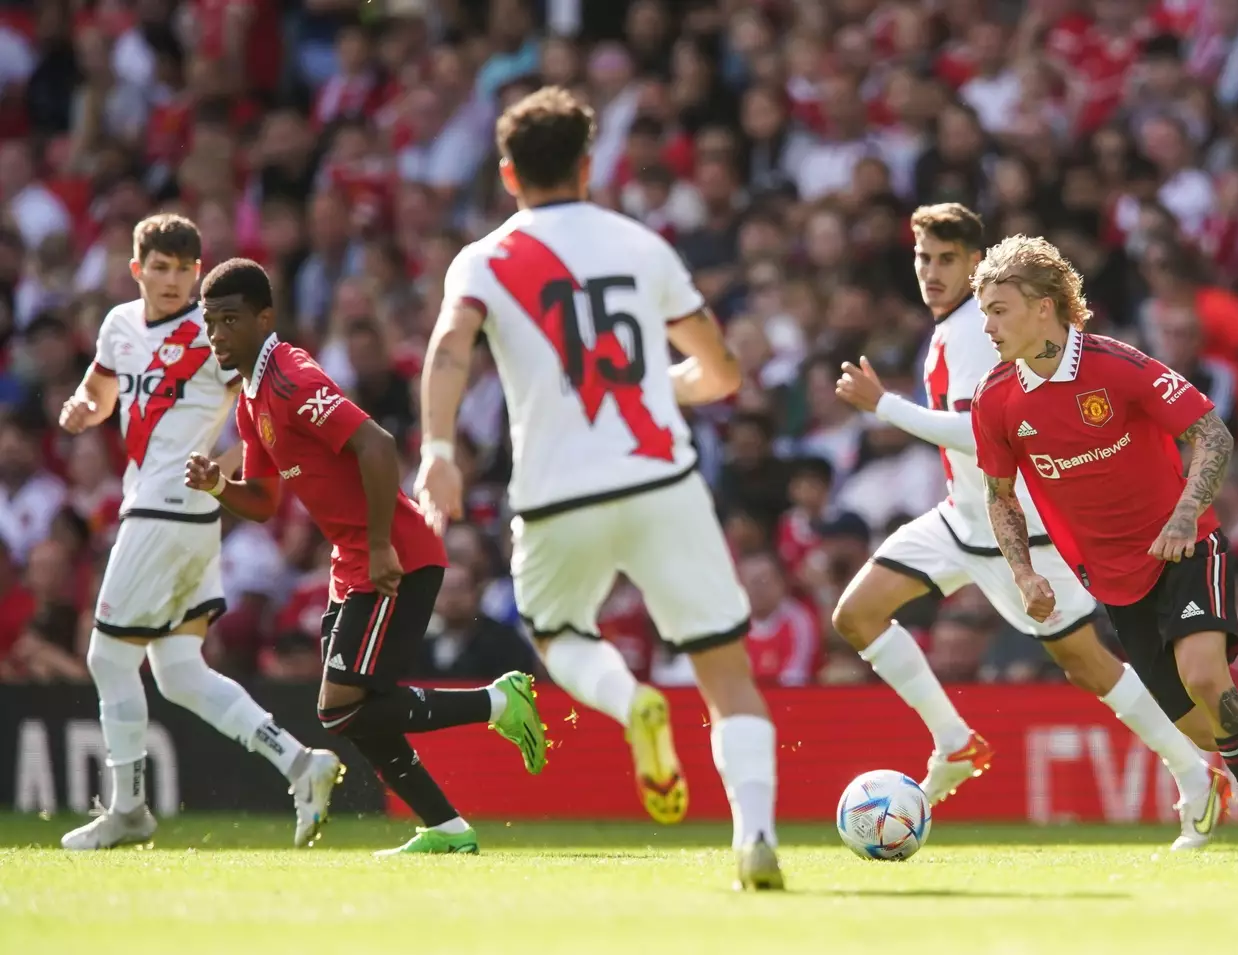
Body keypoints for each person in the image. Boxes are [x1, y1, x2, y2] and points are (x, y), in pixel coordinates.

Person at [414, 86, 782, 891]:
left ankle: (632, 702)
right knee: (725, 670)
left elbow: (448, 347)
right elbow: (720, 370)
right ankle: (754, 835)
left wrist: (438, 447)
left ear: (508, 173)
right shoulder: (641, 245)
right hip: (662, 477)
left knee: (559, 635)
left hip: (555, 494)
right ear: (589, 163)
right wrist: (665, 385)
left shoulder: (483, 259)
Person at [969, 234, 1238, 862]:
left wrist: (1188, 513)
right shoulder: (994, 399)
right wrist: (1024, 573)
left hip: (1186, 549)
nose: (988, 324)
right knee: (1205, 725)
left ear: (1046, 305)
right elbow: (999, 497)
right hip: (1110, 576)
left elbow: (1211, 436)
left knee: (1208, 680)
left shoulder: (1119, 366)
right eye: (984, 312)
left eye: (999, 309)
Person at [832, 203, 1229, 850]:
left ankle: (1194, 770)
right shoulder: (954, 327)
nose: (931, 272)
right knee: (857, 614)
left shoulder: (976, 330)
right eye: (923, 258)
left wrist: (886, 408)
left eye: (947, 260)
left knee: (1087, 664)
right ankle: (956, 741)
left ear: (973, 262)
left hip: (1023, 530)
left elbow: (978, 431)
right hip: (961, 517)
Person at [184, 257, 546, 857]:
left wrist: (378, 544)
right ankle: (447, 828)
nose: (217, 333)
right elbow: (265, 503)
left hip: (392, 555)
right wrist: (218, 487)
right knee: (351, 712)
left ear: (264, 317)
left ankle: (501, 702)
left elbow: (375, 445)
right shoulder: (251, 402)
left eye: (229, 319)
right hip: (352, 564)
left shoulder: (290, 377)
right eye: (209, 321)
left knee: (341, 706)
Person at [56, 215, 343, 851]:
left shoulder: (213, 332)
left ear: (197, 271)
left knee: (106, 657)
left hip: (167, 508)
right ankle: (302, 763)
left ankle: (128, 809)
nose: (171, 279)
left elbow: (259, 411)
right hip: (172, 513)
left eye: (184, 269)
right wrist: (82, 407)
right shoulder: (118, 326)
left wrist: (229, 467)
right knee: (181, 672)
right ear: (137, 270)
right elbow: (101, 394)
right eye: (159, 267)